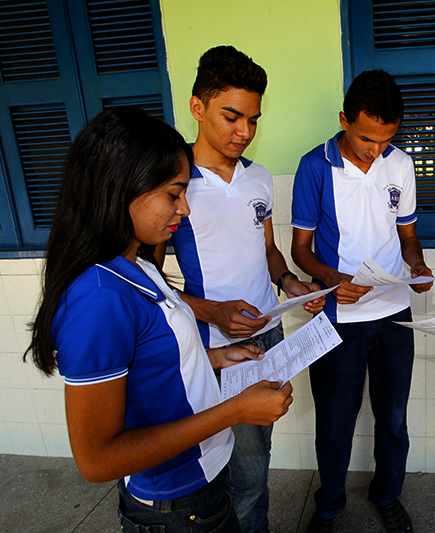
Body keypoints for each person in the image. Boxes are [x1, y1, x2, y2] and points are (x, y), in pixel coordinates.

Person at [24, 107, 293, 532]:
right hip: (174, 507)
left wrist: (218, 357)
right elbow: (96, 459)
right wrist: (234, 411)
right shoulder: (98, 297)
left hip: (204, 482)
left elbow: (155, 362)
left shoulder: (138, 265)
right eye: (173, 194)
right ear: (119, 189)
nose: (184, 209)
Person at [159, 46, 323, 533]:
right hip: (209, 346)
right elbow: (149, 285)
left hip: (266, 335)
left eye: (253, 119)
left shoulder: (258, 177)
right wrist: (211, 312)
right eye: (232, 117)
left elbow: (268, 250)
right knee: (214, 464)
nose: (245, 132)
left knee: (254, 463)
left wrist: (289, 281)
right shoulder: (174, 182)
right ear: (197, 107)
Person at [290, 70, 434, 533]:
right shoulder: (315, 166)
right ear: (344, 120)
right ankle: (329, 504)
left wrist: (417, 267)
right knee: (335, 423)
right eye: (367, 138)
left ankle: (387, 493)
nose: (376, 150)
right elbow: (300, 250)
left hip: (393, 314)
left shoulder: (402, 165)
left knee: (393, 417)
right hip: (338, 317)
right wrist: (335, 281)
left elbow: (407, 236)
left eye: (386, 138)